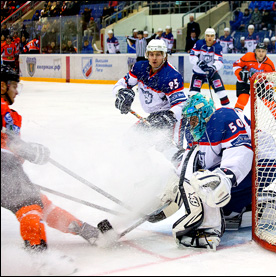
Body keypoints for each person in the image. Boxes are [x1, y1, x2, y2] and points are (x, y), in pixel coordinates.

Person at [165, 93, 276, 249]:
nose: (190, 124)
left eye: (193, 119)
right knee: (223, 208)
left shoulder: (222, 117)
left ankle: (208, 230)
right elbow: (192, 161)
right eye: (188, 120)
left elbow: (242, 151)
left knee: (209, 187)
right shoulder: (195, 131)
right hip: (244, 166)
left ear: (203, 113)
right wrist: (175, 179)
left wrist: (226, 176)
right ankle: (260, 203)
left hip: (263, 163)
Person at [1, 64, 102, 252]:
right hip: (3, 166)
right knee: (29, 204)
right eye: (14, 86)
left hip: (7, 168)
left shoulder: (11, 115)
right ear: (2, 86)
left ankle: (86, 230)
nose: (17, 92)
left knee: (41, 204)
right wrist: (25, 150)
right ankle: (39, 257)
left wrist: (28, 151)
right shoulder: (2, 109)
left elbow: (11, 144)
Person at [112, 39, 187, 149]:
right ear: (147, 55)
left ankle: (181, 165)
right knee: (130, 140)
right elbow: (120, 85)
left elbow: (180, 106)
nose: (154, 58)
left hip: (171, 119)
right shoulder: (140, 68)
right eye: (151, 54)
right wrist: (121, 93)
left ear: (165, 56)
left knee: (169, 150)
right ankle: (142, 165)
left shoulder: (171, 76)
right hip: (154, 116)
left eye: (158, 54)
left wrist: (168, 117)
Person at [233, 43, 276, 128]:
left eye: (263, 51)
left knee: (268, 100)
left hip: (259, 83)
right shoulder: (248, 56)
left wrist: (269, 89)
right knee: (243, 98)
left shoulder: (269, 64)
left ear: (266, 52)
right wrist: (240, 72)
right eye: (259, 51)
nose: (261, 53)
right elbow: (236, 66)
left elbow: (270, 79)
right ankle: (235, 118)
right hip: (244, 82)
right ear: (255, 51)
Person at [188, 28, 231, 107]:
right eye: (208, 36)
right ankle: (191, 114)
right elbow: (192, 56)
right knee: (192, 95)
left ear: (214, 36)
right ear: (205, 36)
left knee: (222, 93)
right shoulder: (199, 43)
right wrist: (199, 63)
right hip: (198, 73)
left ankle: (228, 111)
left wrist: (213, 67)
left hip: (212, 73)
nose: (210, 38)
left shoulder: (217, 47)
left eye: (211, 36)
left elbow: (219, 61)